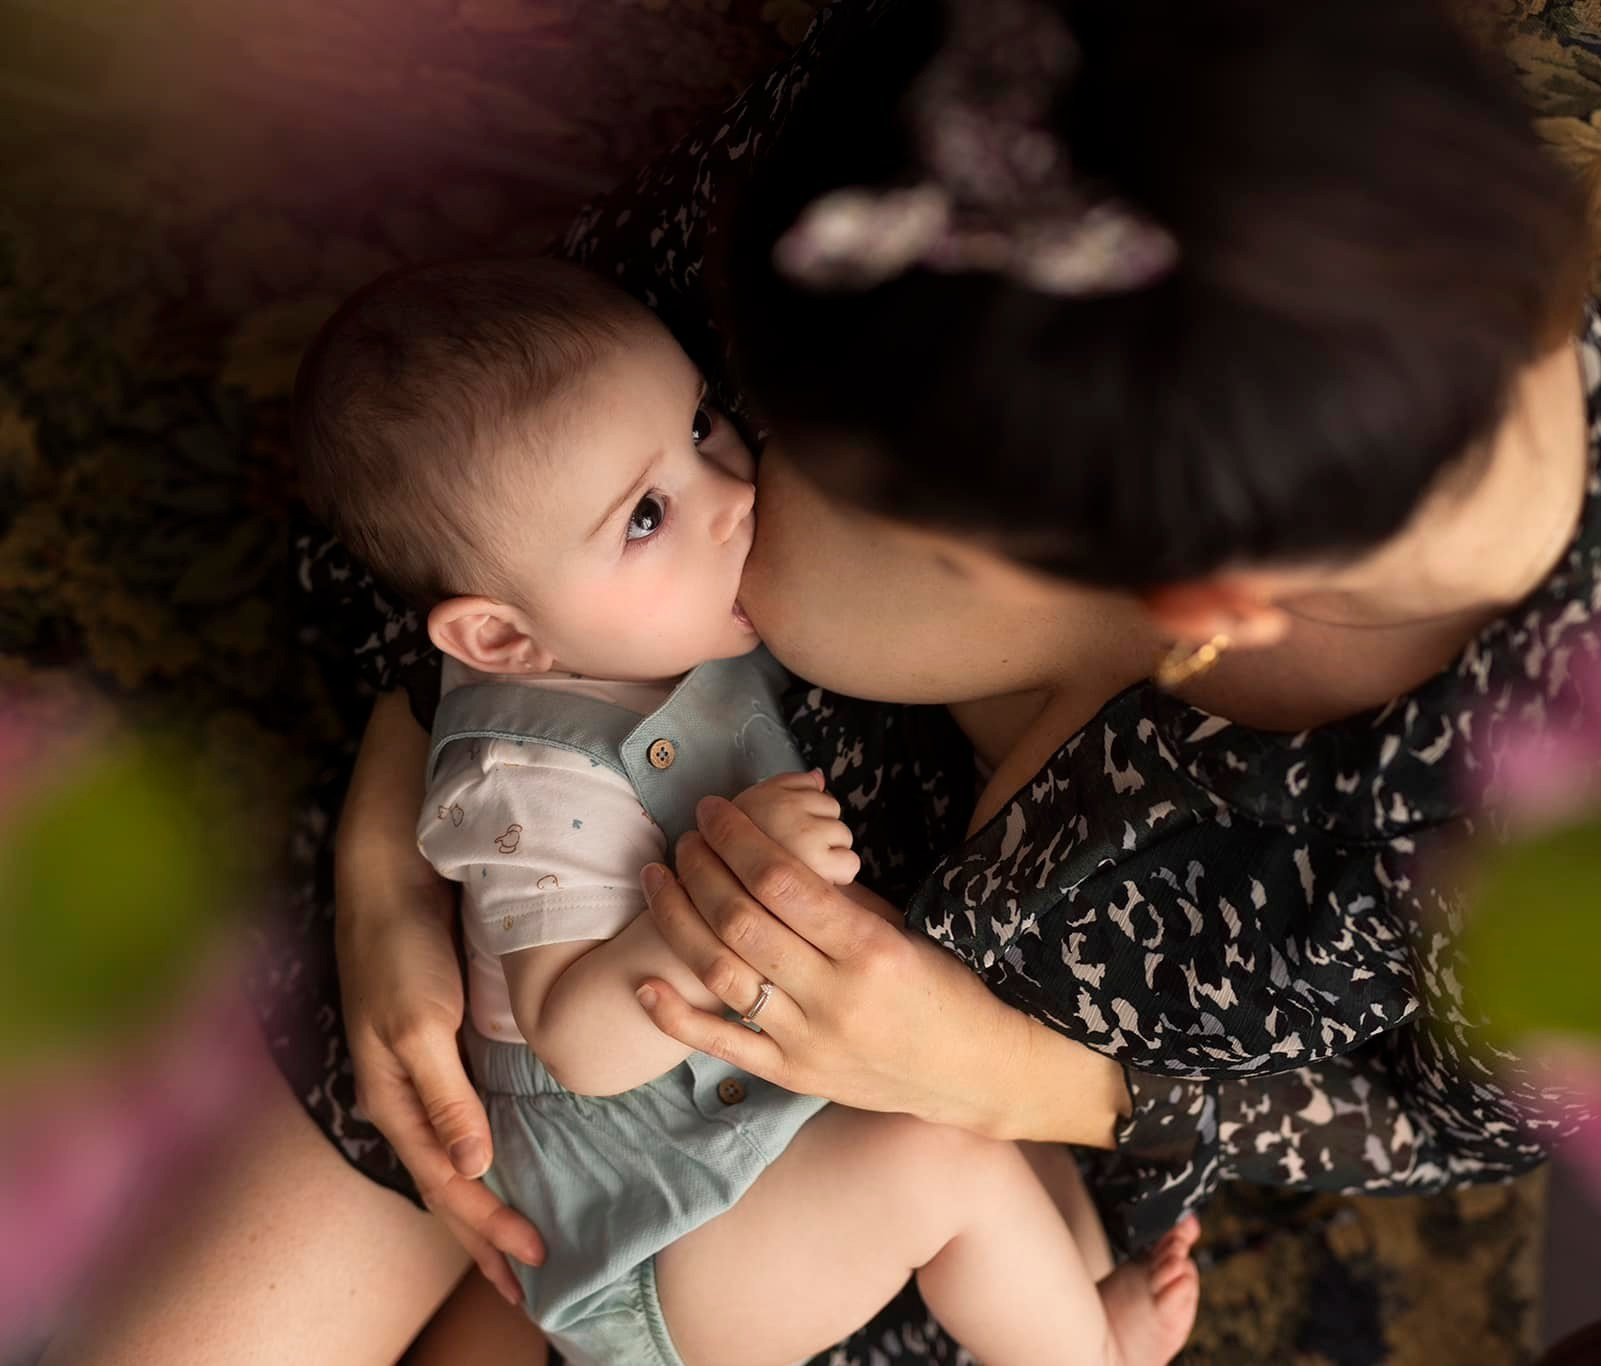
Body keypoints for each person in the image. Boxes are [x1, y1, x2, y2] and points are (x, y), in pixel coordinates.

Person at [39, 1, 1601, 1362]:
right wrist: (387, 844)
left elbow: (1467, 1120)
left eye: (797, 466)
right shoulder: (991, 111)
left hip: (888, 1214)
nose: (749, 478)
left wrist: (1031, 1083)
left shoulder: (1590, 801)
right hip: (540, 926)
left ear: (1181, 606)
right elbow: (475, 454)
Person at [287, 253, 1201, 1366]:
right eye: (646, 516)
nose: (731, 499)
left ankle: (1063, 1308)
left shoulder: (649, 623)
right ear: (502, 642)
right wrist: (713, 902)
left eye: (705, 426)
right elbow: (578, 1037)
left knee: (990, 1144)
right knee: (944, 1167)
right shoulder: (528, 783)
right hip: (657, 1234)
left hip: (756, 1139)